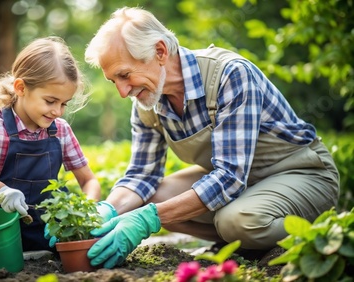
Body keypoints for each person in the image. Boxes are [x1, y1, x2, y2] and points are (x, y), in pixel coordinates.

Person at [83, 7, 340, 268]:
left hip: (300, 173)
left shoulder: (230, 75)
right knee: (145, 198)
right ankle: (241, 241)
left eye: (124, 75)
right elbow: (142, 174)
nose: (123, 92)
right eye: (113, 81)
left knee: (237, 221)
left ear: (160, 52)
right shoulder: (147, 102)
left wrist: (148, 219)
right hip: (243, 182)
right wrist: (106, 211)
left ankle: (329, 233)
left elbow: (230, 176)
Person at [0, 36, 101, 252]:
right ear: (21, 87)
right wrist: (0, 191)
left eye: (64, 104)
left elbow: (89, 180)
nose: (58, 111)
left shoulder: (60, 131)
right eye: (50, 101)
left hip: (42, 236)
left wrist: (87, 209)